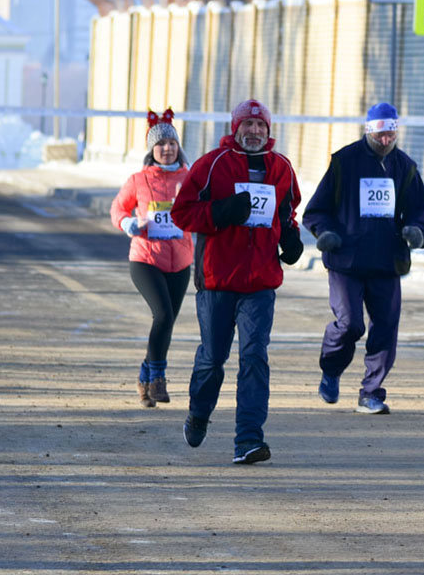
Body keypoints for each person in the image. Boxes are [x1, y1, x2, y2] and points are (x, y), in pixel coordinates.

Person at [170, 99, 303, 464]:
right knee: (213, 359)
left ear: (269, 130)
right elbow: (182, 213)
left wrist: (290, 240)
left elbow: (287, 212)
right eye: (248, 126)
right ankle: (199, 412)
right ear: (236, 128)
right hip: (217, 280)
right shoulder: (212, 164)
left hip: (260, 282)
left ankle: (248, 439)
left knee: (254, 356)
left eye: (261, 127)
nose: (255, 132)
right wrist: (221, 211)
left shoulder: (282, 168)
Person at [302, 102, 424, 414]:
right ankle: (332, 368)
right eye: (380, 134)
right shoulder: (344, 162)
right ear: (368, 131)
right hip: (346, 261)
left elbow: (422, 216)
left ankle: (371, 391)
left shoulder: (405, 167)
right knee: (350, 323)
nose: (386, 140)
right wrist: (326, 233)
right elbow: (317, 210)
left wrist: (416, 232)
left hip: (387, 262)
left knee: (386, 328)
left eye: (391, 133)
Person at [109, 109, 193, 408]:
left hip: (181, 261)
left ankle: (144, 378)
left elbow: (203, 209)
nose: (167, 149)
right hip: (146, 258)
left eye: (171, 143)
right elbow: (117, 208)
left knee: (166, 322)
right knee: (163, 315)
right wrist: (127, 223)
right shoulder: (139, 180)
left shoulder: (191, 177)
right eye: (161, 145)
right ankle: (158, 378)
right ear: (151, 149)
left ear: (178, 146)